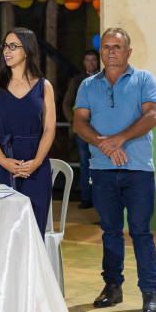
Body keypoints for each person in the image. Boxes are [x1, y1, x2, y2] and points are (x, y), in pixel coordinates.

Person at [74, 28, 156, 312]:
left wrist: (119, 139)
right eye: (106, 47)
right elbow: (79, 122)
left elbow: (152, 116)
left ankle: (150, 291)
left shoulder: (144, 79)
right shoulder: (88, 85)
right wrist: (105, 145)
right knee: (110, 231)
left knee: (140, 231)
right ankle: (112, 287)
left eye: (117, 46)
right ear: (101, 51)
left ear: (128, 52)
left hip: (138, 171)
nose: (111, 51)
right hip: (102, 171)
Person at [0, 28, 55, 239]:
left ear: (27, 51)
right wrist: (2, 160)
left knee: (33, 230)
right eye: (5, 46)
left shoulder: (44, 86)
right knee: (1, 232)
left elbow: (49, 129)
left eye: (13, 46)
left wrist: (37, 162)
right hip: (2, 162)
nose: (7, 51)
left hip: (36, 165)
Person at [63, 49, 99, 209]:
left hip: (101, 131)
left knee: (101, 164)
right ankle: (86, 197)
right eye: (88, 60)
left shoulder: (105, 77)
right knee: (85, 164)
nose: (91, 63)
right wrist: (74, 122)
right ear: (84, 62)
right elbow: (66, 104)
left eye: (93, 60)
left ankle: (100, 199)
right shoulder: (78, 80)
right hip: (83, 131)